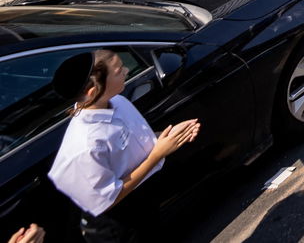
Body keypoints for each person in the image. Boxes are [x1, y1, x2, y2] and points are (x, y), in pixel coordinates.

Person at [48, 49, 201, 242]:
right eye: (119, 70)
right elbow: (107, 199)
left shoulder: (117, 101)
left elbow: (136, 140)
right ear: (94, 91)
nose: (127, 70)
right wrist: (157, 155)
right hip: (117, 225)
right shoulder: (86, 144)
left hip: (142, 201)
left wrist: (169, 136)